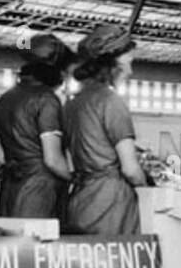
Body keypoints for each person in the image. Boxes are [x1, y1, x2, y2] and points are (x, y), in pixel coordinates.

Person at [63, 23, 148, 236]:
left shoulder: (73, 104)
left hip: (80, 200)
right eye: (129, 62)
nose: (131, 70)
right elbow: (130, 169)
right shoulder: (112, 102)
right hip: (111, 203)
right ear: (115, 64)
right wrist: (147, 189)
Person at [0, 33, 74, 219]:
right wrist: (76, 180)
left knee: (13, 244)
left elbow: (0, 155)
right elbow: (52, 160)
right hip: (39, 190)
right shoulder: (46, 100)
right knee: (39, 245)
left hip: (10, 189)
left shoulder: (5, 99)